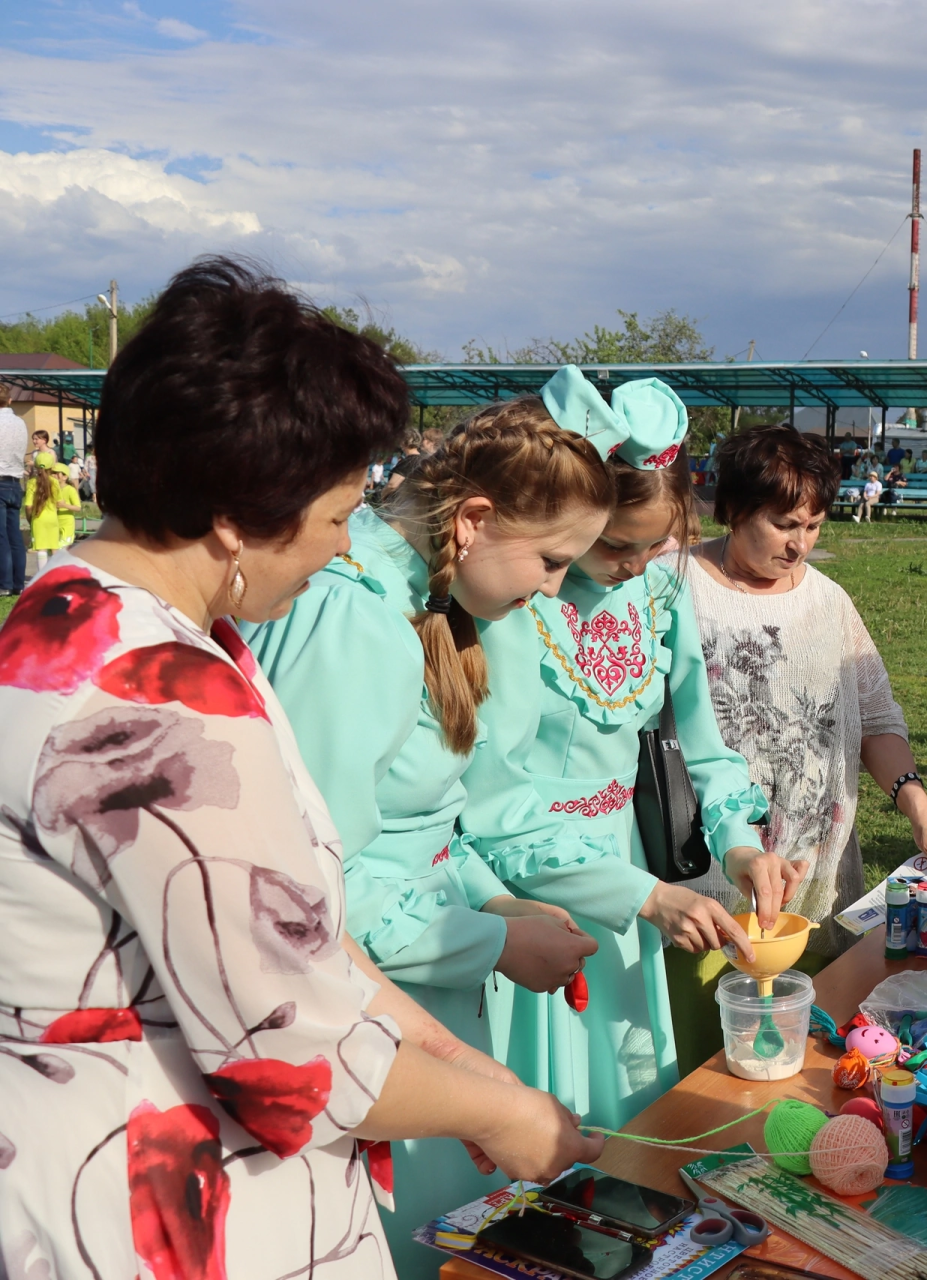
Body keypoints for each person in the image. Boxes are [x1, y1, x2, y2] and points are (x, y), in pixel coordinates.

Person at [0, 258, 597, 1280]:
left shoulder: (73, 611)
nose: (339, 548)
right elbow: (288, 1057)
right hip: (165, 1204)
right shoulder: (166, 702)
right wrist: (506, 1113)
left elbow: (287, 941)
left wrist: (453, 1066)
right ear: (236, 515)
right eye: (331, 519)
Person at [244, 377, 617, 1275]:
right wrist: (486, 943)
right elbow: (304, 896)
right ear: (474, 520)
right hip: (367, 1024)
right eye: (551, 561)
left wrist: (500, 905)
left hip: (416, 997)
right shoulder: (354, 621)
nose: (557, 590)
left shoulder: (422, 603)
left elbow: (434, 819)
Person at [464, 368, 793, 1132]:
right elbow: (490, 795)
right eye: (615, 545)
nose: (635, 566)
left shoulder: (661, 595)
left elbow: (702, 747)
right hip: (531, 880)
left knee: (626, 1092)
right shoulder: (512, 601)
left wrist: (740, 846)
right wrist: (635, 895)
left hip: (634, 867)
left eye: (657, 546)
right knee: (539, 1097)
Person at [676, 424, 927, 1064]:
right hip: (704, 885)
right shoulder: (674, 588)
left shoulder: (830, 604)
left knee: (801, 1052)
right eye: (782, 524)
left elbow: (879, 718)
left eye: (813, 525)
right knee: (703, 1059)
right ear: (734, 508)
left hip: (811, 878)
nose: (799, 543)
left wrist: (918, 809)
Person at [23, 452, 74, 576]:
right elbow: (59, 501)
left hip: (38, 519)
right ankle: (56, 576)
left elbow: (28, 505)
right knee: (54, 547)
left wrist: (30, 519)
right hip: (53, 518)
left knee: (41, 549)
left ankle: (42, 576)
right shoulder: (55, 482)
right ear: (51, 467)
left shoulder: (31, 483)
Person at [0, 385, 24, 596]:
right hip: (15, 481)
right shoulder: (20, 422)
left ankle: (4, 583)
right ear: (9, 401)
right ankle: (18, 583)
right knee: (14, 535)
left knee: (1, 536)